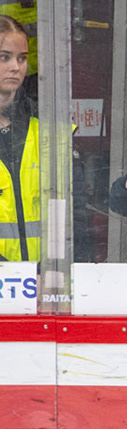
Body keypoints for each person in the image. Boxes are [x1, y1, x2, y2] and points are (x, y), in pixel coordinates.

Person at [0, 16, 35, 263]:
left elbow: (74, 214)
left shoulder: (41, 123)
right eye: (5, 57)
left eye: (22, 58)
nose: (16, 67)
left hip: (42, 279)